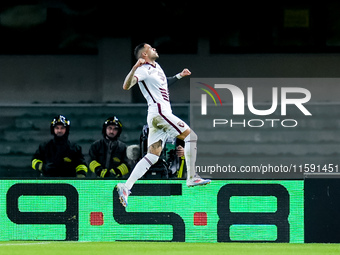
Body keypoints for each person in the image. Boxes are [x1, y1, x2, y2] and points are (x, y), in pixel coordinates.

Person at [116, 43, 211, 207]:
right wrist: (134, 68)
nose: (154, 49)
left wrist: (179, 76)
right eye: (151, 48)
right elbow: (126, 86)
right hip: (160, 113)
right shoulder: (142, 69)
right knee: (191, 136)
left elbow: (163, 83)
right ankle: (192, 177)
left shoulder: (156, 67)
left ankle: (126, 187)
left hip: (156, 116)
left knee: (152, 156)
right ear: (144, 54)